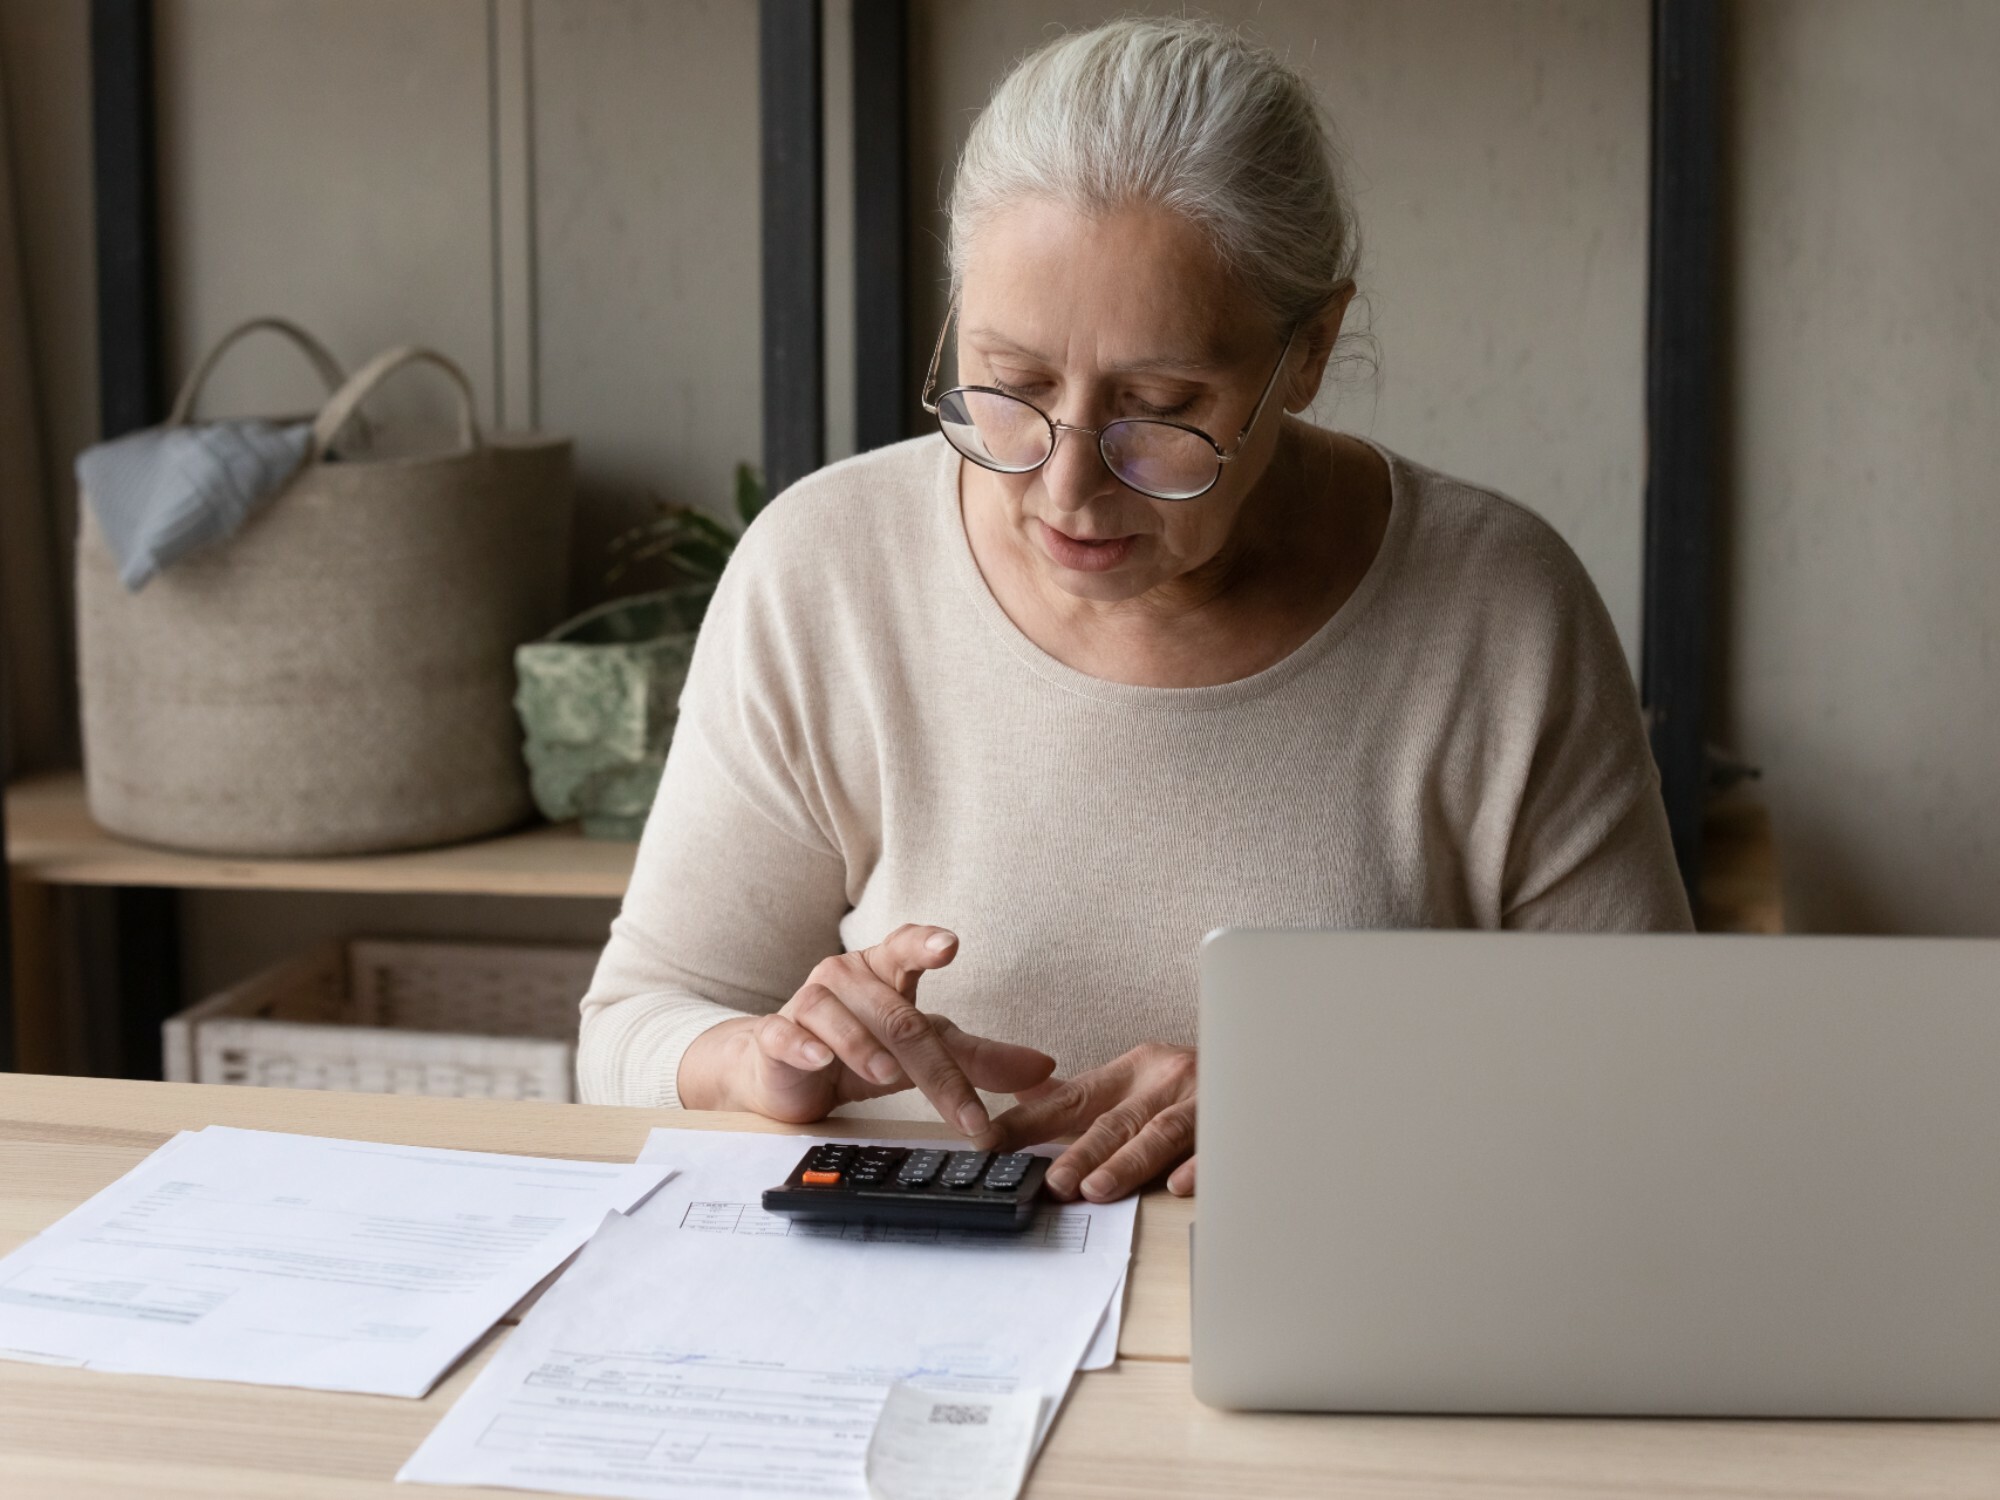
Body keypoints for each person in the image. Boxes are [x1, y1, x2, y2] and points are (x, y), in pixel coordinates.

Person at [577, 16, 1691, 1204]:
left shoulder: (1494, 613)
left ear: (1305, 354)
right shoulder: (826, 571)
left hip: (1329, 1328)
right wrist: (754, 1059)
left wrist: (1335, 1089)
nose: (1065, 486)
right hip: (916, 1318)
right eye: (1009, 387)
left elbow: (1666, 1083)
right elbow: (628, 1029)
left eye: (1157, 407)